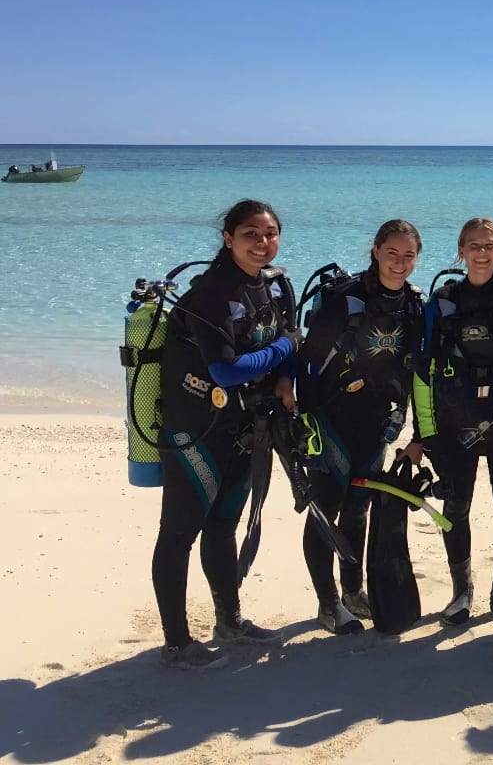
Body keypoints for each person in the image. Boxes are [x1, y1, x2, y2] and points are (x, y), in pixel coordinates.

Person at [153, 200, 299, 669]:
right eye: (251, 234)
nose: (262, 243)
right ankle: (177, 643)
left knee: (223, 526)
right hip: (194, 429)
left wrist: (286, 374)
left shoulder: (274, 286)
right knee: (179, 533)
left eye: (270, 233)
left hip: (243, 426)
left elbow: (288, 336)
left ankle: (229, 621)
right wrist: (284, 348)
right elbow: (226, 371)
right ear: (228, 238)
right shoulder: (211, 293)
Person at [403, 218, 493, 629]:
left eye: (489, 245)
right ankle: (461, 590)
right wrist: (425, 431)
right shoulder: (443, 301)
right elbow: (423, 371)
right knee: (455, 507)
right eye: (473, 245)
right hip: (454, 422)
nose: (481, 252)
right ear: (461, 251)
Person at [297, 220, 425, 635]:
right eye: (392, 253)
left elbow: (417, 372)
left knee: (358, 511)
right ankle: (328, 603)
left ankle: (353, 590)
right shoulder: (345, 301)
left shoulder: (414, 305)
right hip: (332, 423)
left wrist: (411, 424)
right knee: (326, 510)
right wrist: (309, 422)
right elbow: (308, 363)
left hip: (376, 425)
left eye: (408, 255)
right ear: (375, 251)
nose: (400, 263)